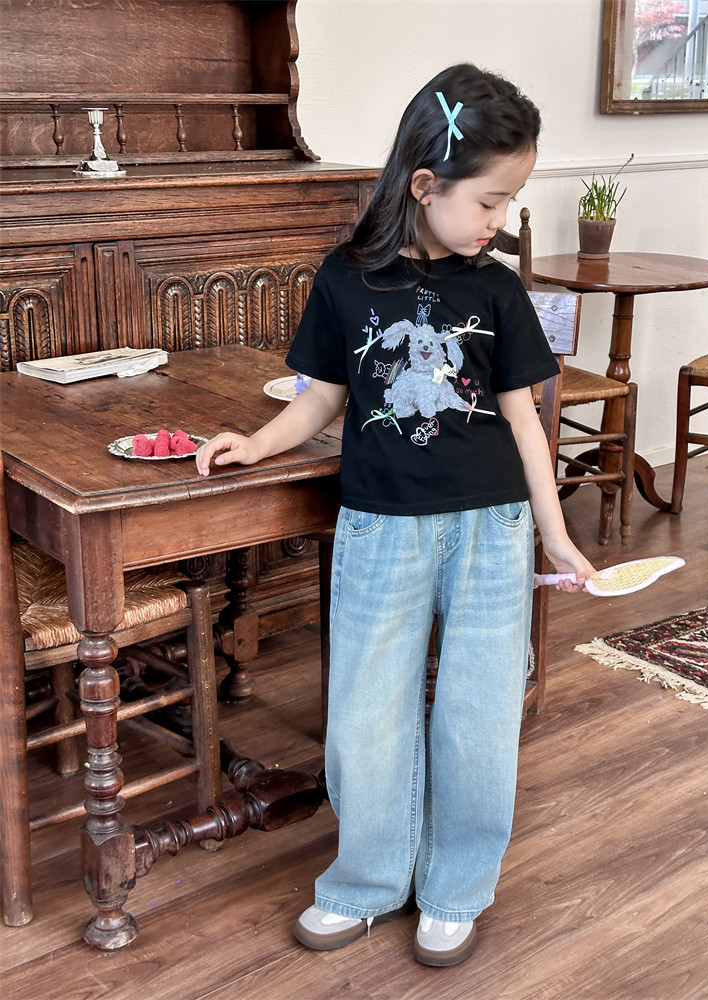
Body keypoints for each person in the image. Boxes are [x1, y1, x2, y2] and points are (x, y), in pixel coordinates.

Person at [196, 63, 594, 968]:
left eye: (509, 201)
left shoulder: (496, 289)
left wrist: (557, 533)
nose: (500, 220)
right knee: (366, 713)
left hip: (492, 525)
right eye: (490, 201)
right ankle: (368, 880)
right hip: (379, 524)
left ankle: (456, 888)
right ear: (424, 185)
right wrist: (257, 443)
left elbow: (525, 421)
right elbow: (319, 397)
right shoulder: (345, 280)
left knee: (478, 715)